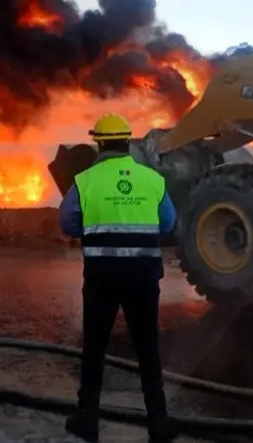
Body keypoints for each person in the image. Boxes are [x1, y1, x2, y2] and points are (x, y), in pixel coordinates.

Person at [58, 113, 177, 443]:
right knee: (148, 349)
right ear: (128, 142)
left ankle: (88, 418)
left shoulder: (85, 180)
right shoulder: (152, 179)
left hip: (102, 277)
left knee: (94, 347)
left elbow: (68, 223)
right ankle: (158, 420)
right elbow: (167, 223)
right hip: (143, 276)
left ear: (98, 144)